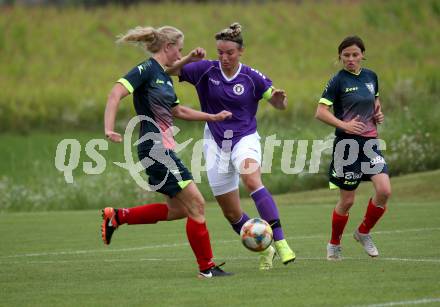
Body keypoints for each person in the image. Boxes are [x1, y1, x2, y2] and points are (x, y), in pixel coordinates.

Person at [101, 25, 234, 278]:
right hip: (155, 149)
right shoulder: (146, 70)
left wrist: (213, 117)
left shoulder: (162, 76)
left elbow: (179, 111)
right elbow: (115, 93)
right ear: (168, 47)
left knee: (179, 209)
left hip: (164, 148)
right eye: (179, 50)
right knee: (197, 204)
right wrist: (109, 128)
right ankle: (206, 269)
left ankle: (117, 217)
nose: (180, 55)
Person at [167, 23, 296, 270]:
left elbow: (279, 104)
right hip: (215, 143)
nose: (224, 58)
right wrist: (188, 58)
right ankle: (265, 248)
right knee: (232, 214)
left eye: (230, 53)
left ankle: (280, 242)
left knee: (251, 179)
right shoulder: (205, 70)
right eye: (220, 53)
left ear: (241, 52)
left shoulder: (252, 77)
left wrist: (279, 101)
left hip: (244, 139)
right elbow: (167, 70)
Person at [315, 35, 392, 260]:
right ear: (340, 57)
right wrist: (345, 125)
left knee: (385, 190)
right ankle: (334, 244)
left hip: (369, 144)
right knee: (348, 200)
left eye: (355, 55)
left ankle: (363, 232)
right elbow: (320, 112)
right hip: (347, 147)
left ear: (362, 56)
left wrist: (378, 113)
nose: (350, 59)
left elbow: (375, 103)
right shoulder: (338, 80)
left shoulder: (371, 77)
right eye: (346, 55)